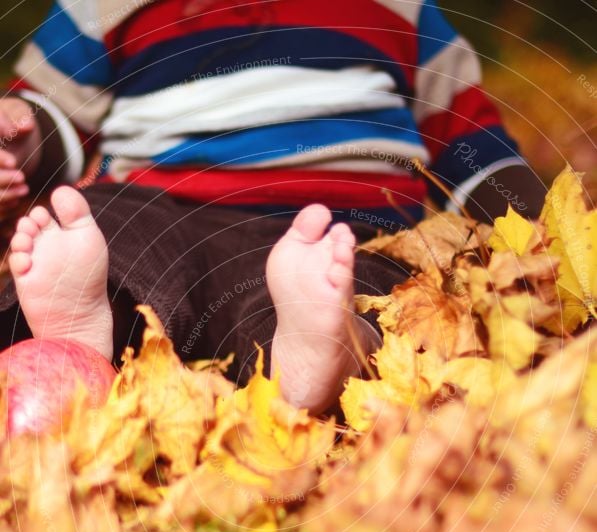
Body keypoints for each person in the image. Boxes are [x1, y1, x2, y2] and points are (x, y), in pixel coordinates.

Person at [0, 0, 545, 413]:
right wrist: (19, 138)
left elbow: (470, 141)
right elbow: (54, 111)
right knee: (104, 233)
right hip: (154, 206)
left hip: (337, 229)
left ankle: (324, 348)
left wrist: (541, 227)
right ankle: (84, 330)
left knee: (375, 285)